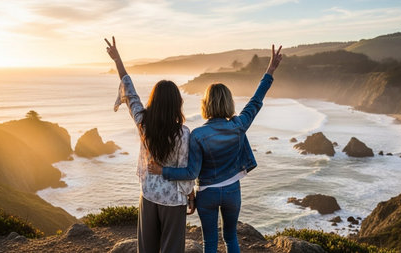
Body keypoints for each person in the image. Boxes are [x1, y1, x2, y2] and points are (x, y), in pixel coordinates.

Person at [149, 44, 283, 253]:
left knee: (210, 242)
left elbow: (191, 173)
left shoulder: (198, 135)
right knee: (230, 237)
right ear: (228, 102)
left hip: (207, 194)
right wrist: (270, 71)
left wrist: (162, 171)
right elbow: (255, 101)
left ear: (205, 104)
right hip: (232, 192)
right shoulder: (239, 125)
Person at [105, 36, 195, 253]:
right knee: (172, 249)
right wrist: (190, 193)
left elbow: (131, 93)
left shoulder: (143, 124)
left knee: (147, 248)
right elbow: (185, 170)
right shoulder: (183, 133)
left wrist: (118, 60)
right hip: (173, 200)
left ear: (153, 100)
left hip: (149, 195)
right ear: (177, 103)